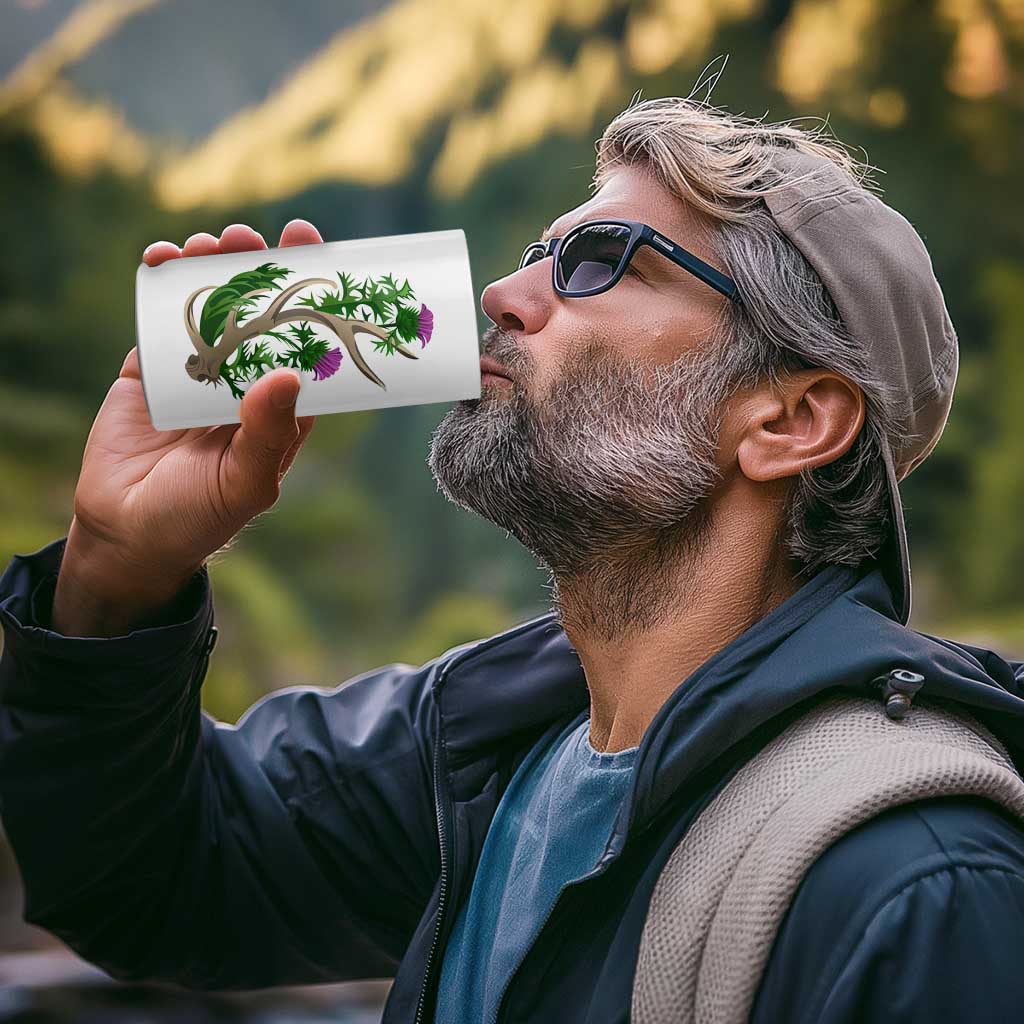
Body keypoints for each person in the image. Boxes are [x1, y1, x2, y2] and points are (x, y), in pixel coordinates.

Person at [2, 94, 1024, 1024]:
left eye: (600, 261)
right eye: (539, 252)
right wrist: (115, 572)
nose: (502, 291)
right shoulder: (480, 749)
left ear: (790, 419)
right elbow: (149, 880)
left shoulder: (918, 884)